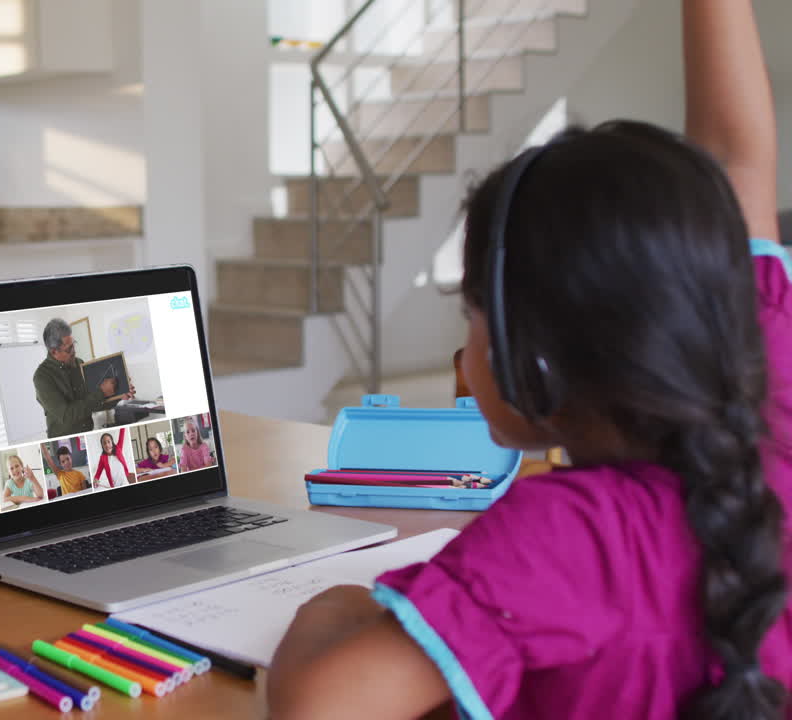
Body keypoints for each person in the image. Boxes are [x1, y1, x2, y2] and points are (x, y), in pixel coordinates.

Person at [267, 2, 792, 719]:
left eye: (472, 311)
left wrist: (335, 605)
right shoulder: (770, 374)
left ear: (531, 354)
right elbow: (737, 159)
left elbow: (319, 707)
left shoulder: (566, 535)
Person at [33, 318, 135, 438]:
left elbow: (93, 403)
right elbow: (67, 415)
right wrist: (102, 392)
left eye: (73, 344)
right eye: (69, 349)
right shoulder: (42, 377)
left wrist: (118, 395)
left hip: (88, 433)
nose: (74, 351)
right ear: (54, 351)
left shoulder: (79, 363)